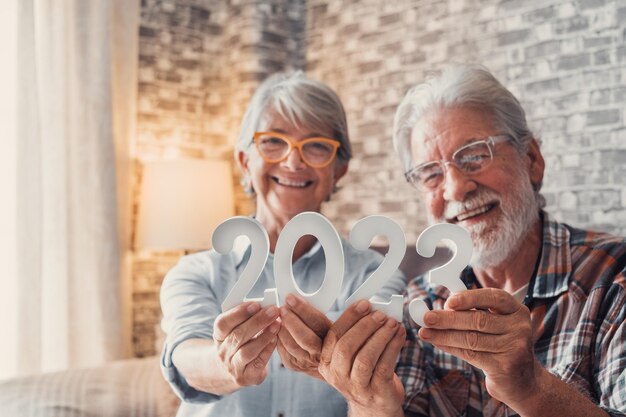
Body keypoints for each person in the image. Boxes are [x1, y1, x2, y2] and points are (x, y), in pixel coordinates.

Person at [312, 65, 626, 417]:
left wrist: (533, 389)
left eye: (475, 156)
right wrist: (369, 404)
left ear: (532, 160)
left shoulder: (615, 278)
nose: (455, 188)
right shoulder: (420, 308)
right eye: (430, 173)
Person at [159, 71, 406, 417]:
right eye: (273, 141)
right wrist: (226, 361)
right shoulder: (196, 271)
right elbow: (184, 354)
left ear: (339, 170)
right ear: (245, 162)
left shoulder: (375, 273)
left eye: (316, 146)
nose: (293, 161)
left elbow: (376, 388)